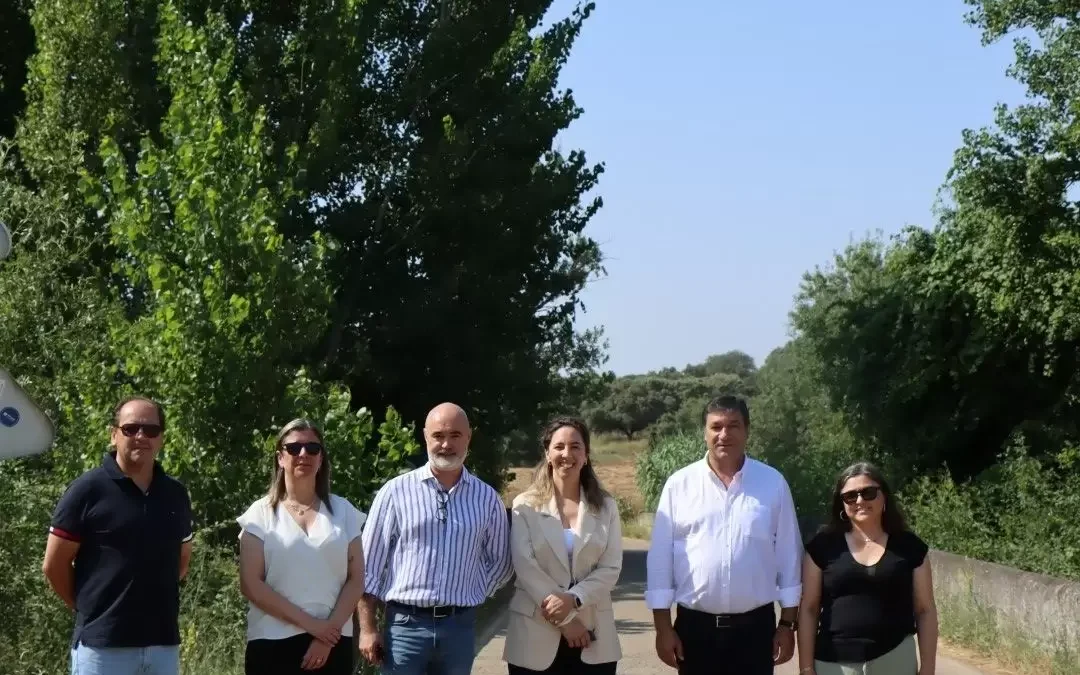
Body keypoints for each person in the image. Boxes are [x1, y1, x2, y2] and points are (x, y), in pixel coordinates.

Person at [645, 394, 803, 675]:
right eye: (716, 427)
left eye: (733, 426)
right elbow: (660, 561)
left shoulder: (773, 483)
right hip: (695, 632)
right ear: (704, 432)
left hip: (756, 633)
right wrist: (663, 628)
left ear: (747, 430)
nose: (724, 434)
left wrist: (787, 624)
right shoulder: (679, 485)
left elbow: (789, 556)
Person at [358, 402, 514, 675]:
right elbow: (367, 565)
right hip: (405, 628)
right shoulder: (395, 492)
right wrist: (368, 628)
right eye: (438, 435)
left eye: (455, 435)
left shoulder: (487, 498)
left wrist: (472, 589)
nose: (446, 444)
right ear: (425, 437)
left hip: (459, 629)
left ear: (468, 438)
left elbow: (501, 562)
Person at [42, 397, 194, 675]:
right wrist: (90, 609)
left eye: (151, 430)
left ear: (161, 438)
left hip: (163, 647)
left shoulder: (176, 494)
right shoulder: (87, 490)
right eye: (130, 428)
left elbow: (181, 562)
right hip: (102, 650)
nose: (141, 436)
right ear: (114, 434)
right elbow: (54, 565)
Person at [237, 418, 367, 674]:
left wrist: (326, 635)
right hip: (272, 643)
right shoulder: (259, 515)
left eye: (313, 448)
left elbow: (357, 579)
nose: (304, 454)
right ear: (280, 458)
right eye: (294, 448)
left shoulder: (345, 512)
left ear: (321, 458)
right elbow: (250, 584)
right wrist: (313, 625)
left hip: (333, 643)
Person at [503, 416, 624, 675]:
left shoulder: (606, 507)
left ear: (586, 455)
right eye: (559, 447)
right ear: (547, 454)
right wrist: (566, 621)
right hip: (533, 636)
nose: (566, 454)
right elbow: (525, 567)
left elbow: (611, 568)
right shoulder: (525, 505)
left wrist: (574, 599)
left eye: (575, 446)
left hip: (593, 634)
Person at [797, 462, 938, 675]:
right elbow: (809, 609)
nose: (860, 501)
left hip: (896, 658)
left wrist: (928, 668)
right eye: (850, 496)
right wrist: (806, 668)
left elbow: (925, 610)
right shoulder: (821, 547)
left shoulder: (910, 547)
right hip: (833, 663)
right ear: (842, 504)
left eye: (868, 493)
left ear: (884, 496)